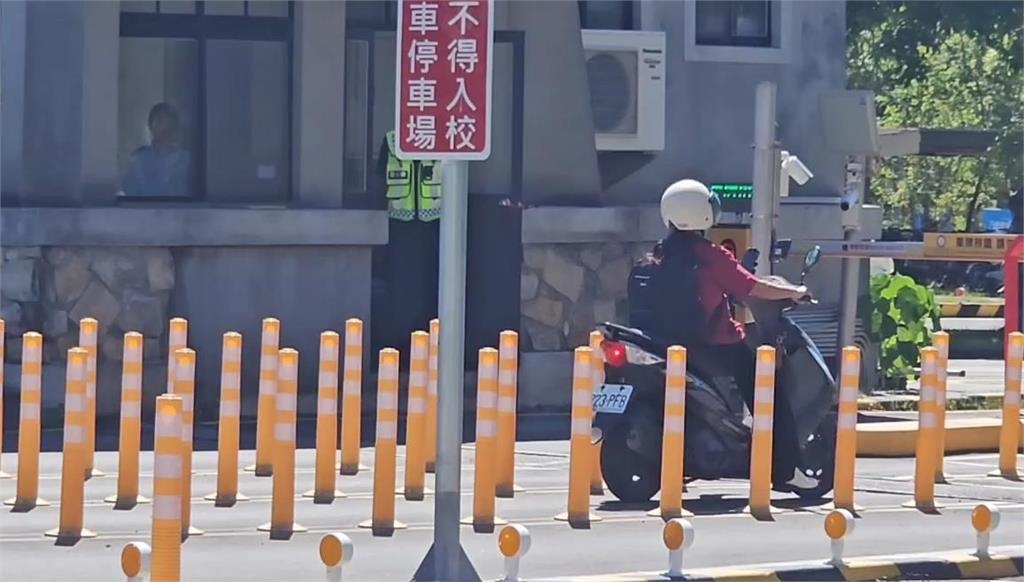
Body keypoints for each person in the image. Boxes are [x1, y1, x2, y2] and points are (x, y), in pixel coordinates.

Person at [656, 178, 817, 489]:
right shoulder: (710, 255)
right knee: (768, 390)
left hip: (665, 344)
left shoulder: (659, 253)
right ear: (702, 215)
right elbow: (751, 286)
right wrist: (795, 291)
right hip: (714, 345)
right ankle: (785, 469)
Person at [121, 102, 192, 198]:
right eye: (160, 121)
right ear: (151, 127)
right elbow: (129, 193)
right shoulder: (138, 160)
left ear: (176, 127)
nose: (165, 128)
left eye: (169, 122)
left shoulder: (188, 161)